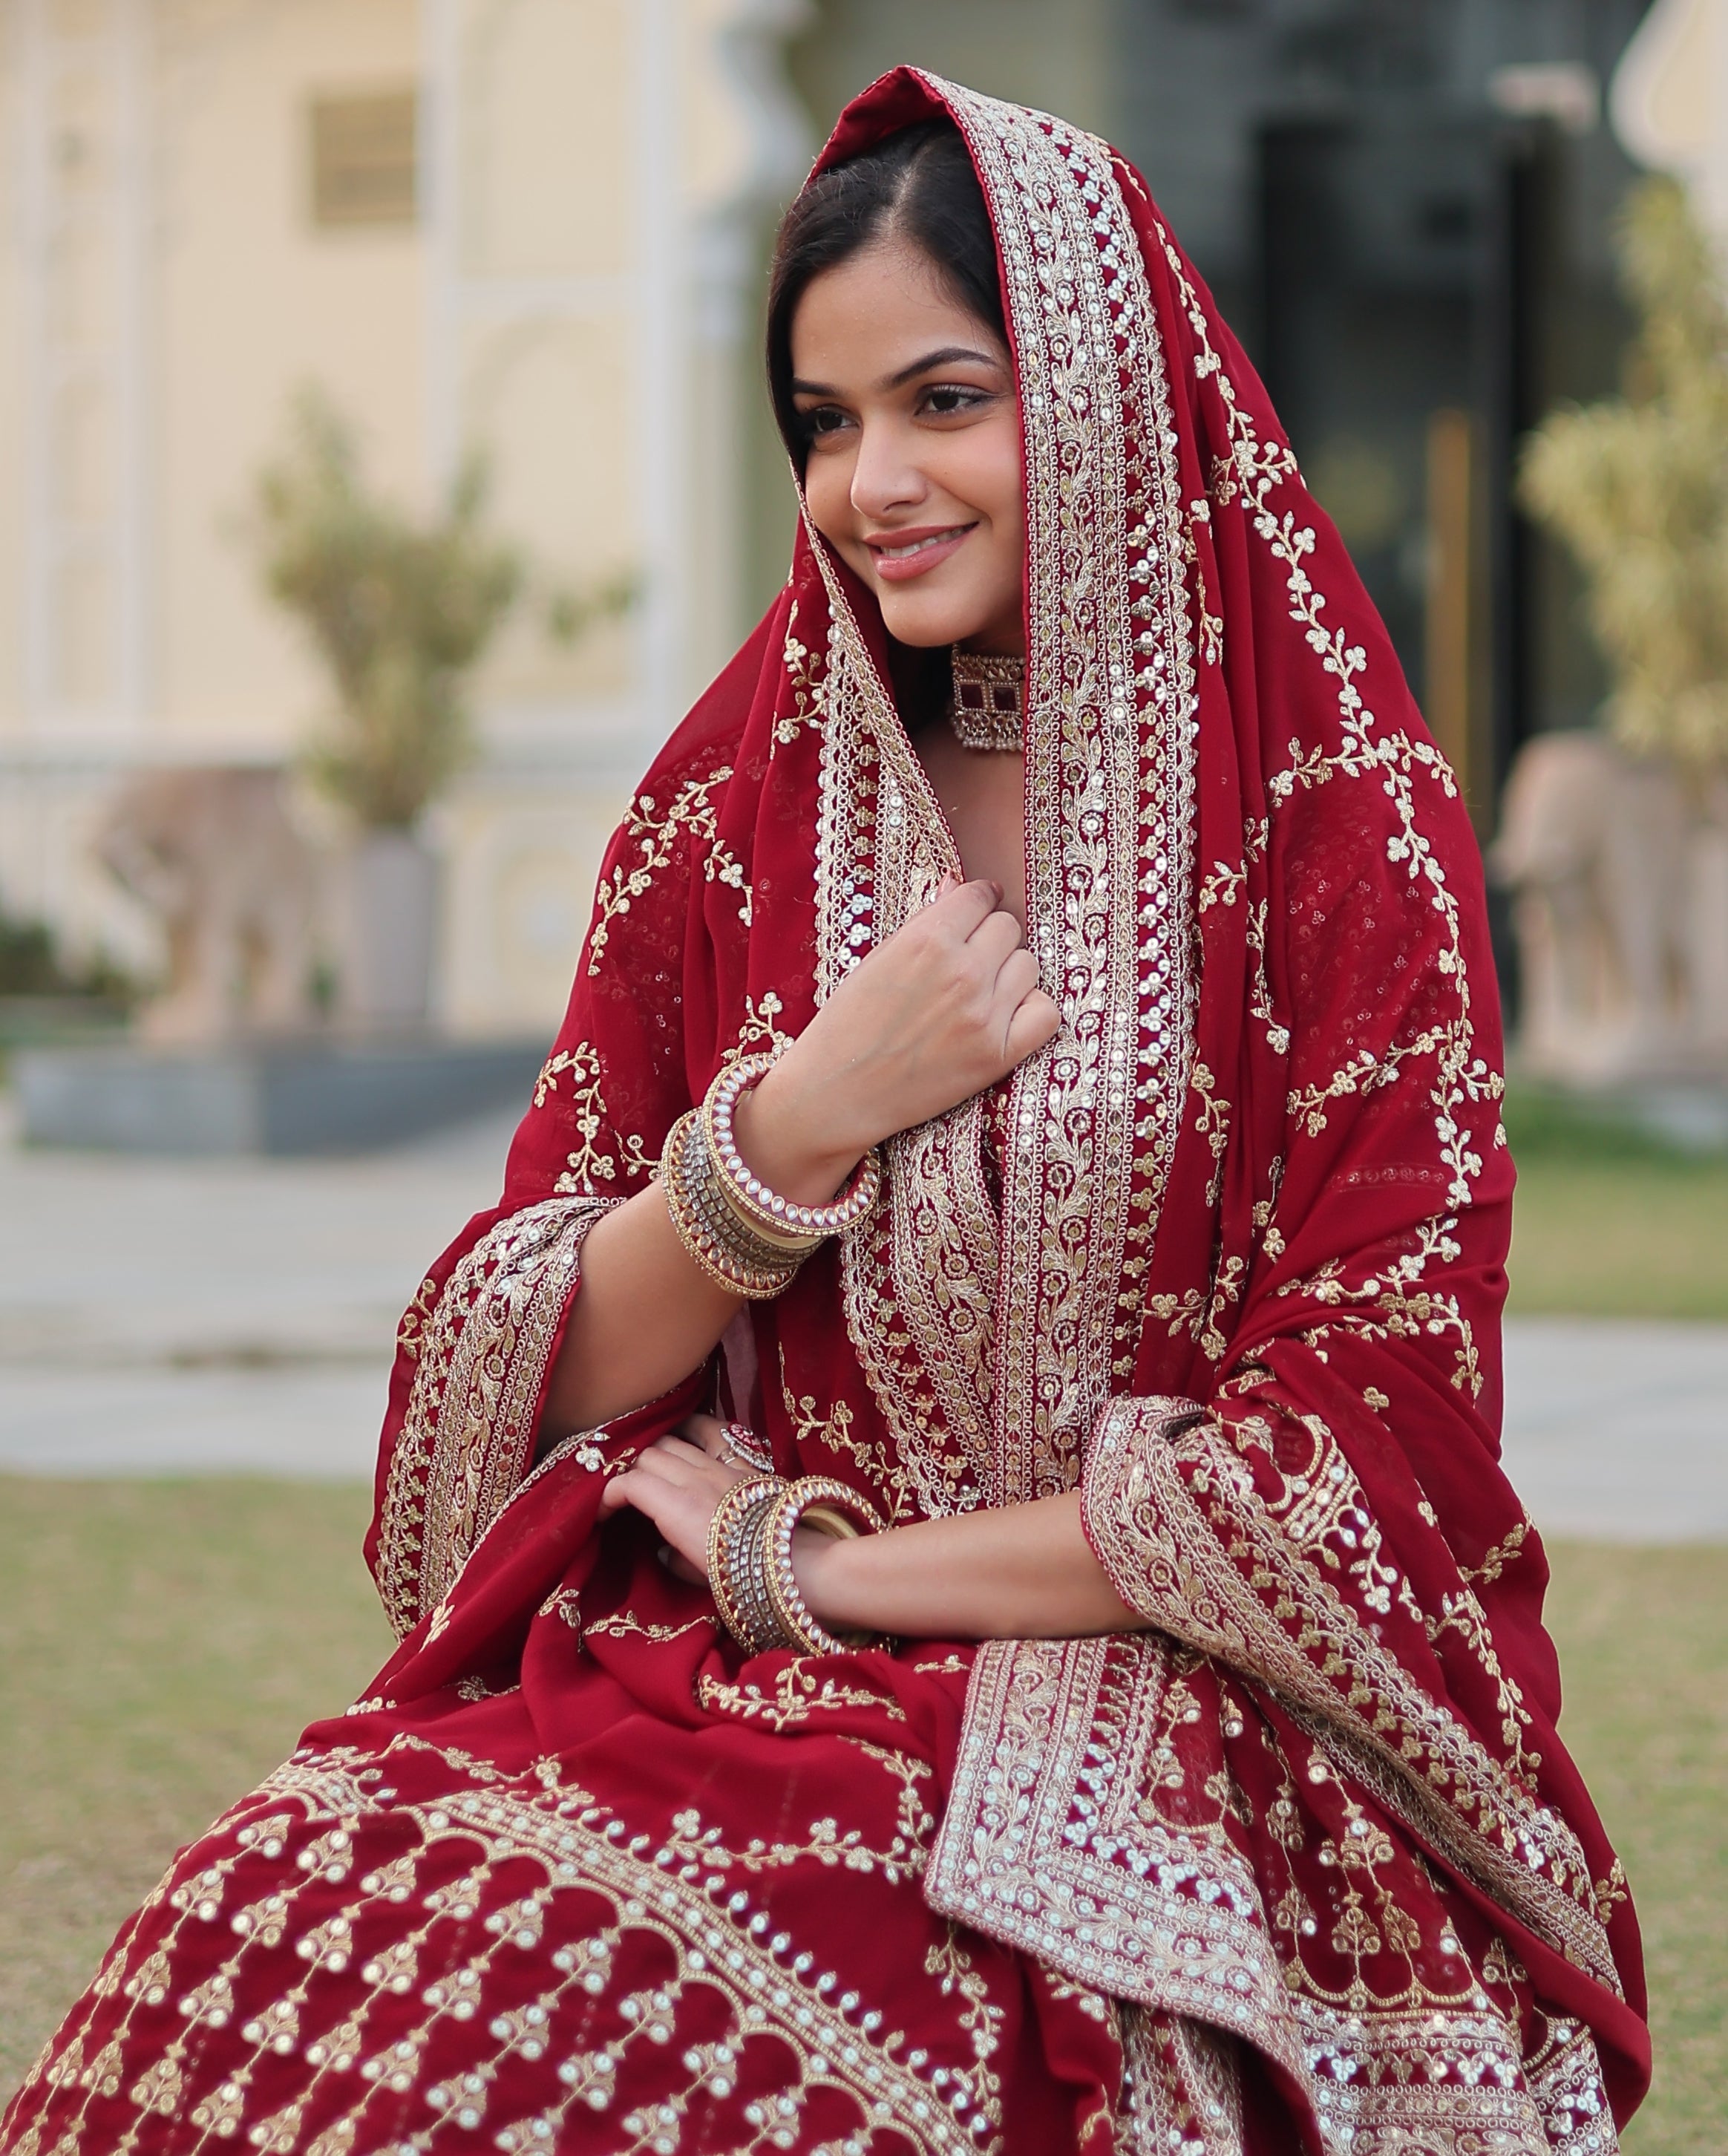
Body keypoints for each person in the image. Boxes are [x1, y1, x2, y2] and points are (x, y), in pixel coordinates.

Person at [3, 68, 1648, 2156]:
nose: (878, 478)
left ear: (1108, 394)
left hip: (1174, 1724)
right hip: (711, 1687)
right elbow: (503, 1379)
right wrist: (787, 1133)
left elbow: (1363, 1475)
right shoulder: (733, 811)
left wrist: (822, 1575)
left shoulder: (1339, 830)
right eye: (824, 424)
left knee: (609, 2022)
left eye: (947, 399)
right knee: (279, 1913)